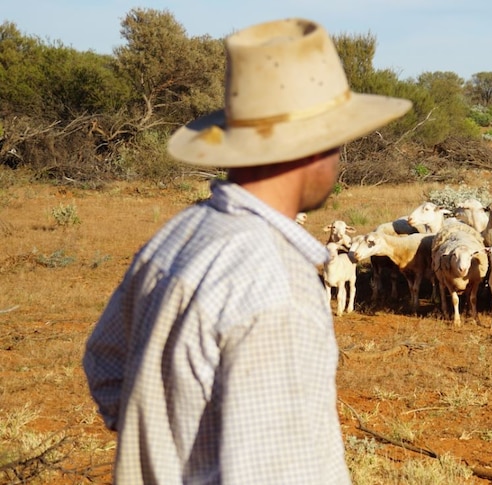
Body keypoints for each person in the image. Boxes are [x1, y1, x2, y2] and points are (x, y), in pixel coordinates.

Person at [83, 18, 411, 483]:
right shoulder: (279, 286)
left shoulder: (178, 234)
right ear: (316, 146)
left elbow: (105, 363)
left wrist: (166, 446)